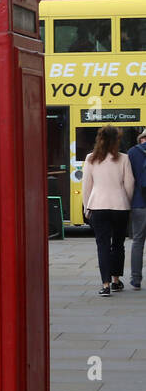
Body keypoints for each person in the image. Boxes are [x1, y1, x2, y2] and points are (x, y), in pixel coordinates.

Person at [83, 124, 135, 296]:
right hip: (119, 206)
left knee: (102, 245)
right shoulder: (123, 159)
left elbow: (87, 186)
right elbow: (129, 184)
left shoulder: (90, 158)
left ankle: (105, 285)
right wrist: (126, 201)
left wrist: (86, 206)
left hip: (98, 205)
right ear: (116, 141)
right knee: (118, 244)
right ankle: (115, 280)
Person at [129, 130, 146, 290]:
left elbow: (128, 180)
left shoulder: (132, 153)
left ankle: (136, 279)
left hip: (139, 203)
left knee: (138, 241)